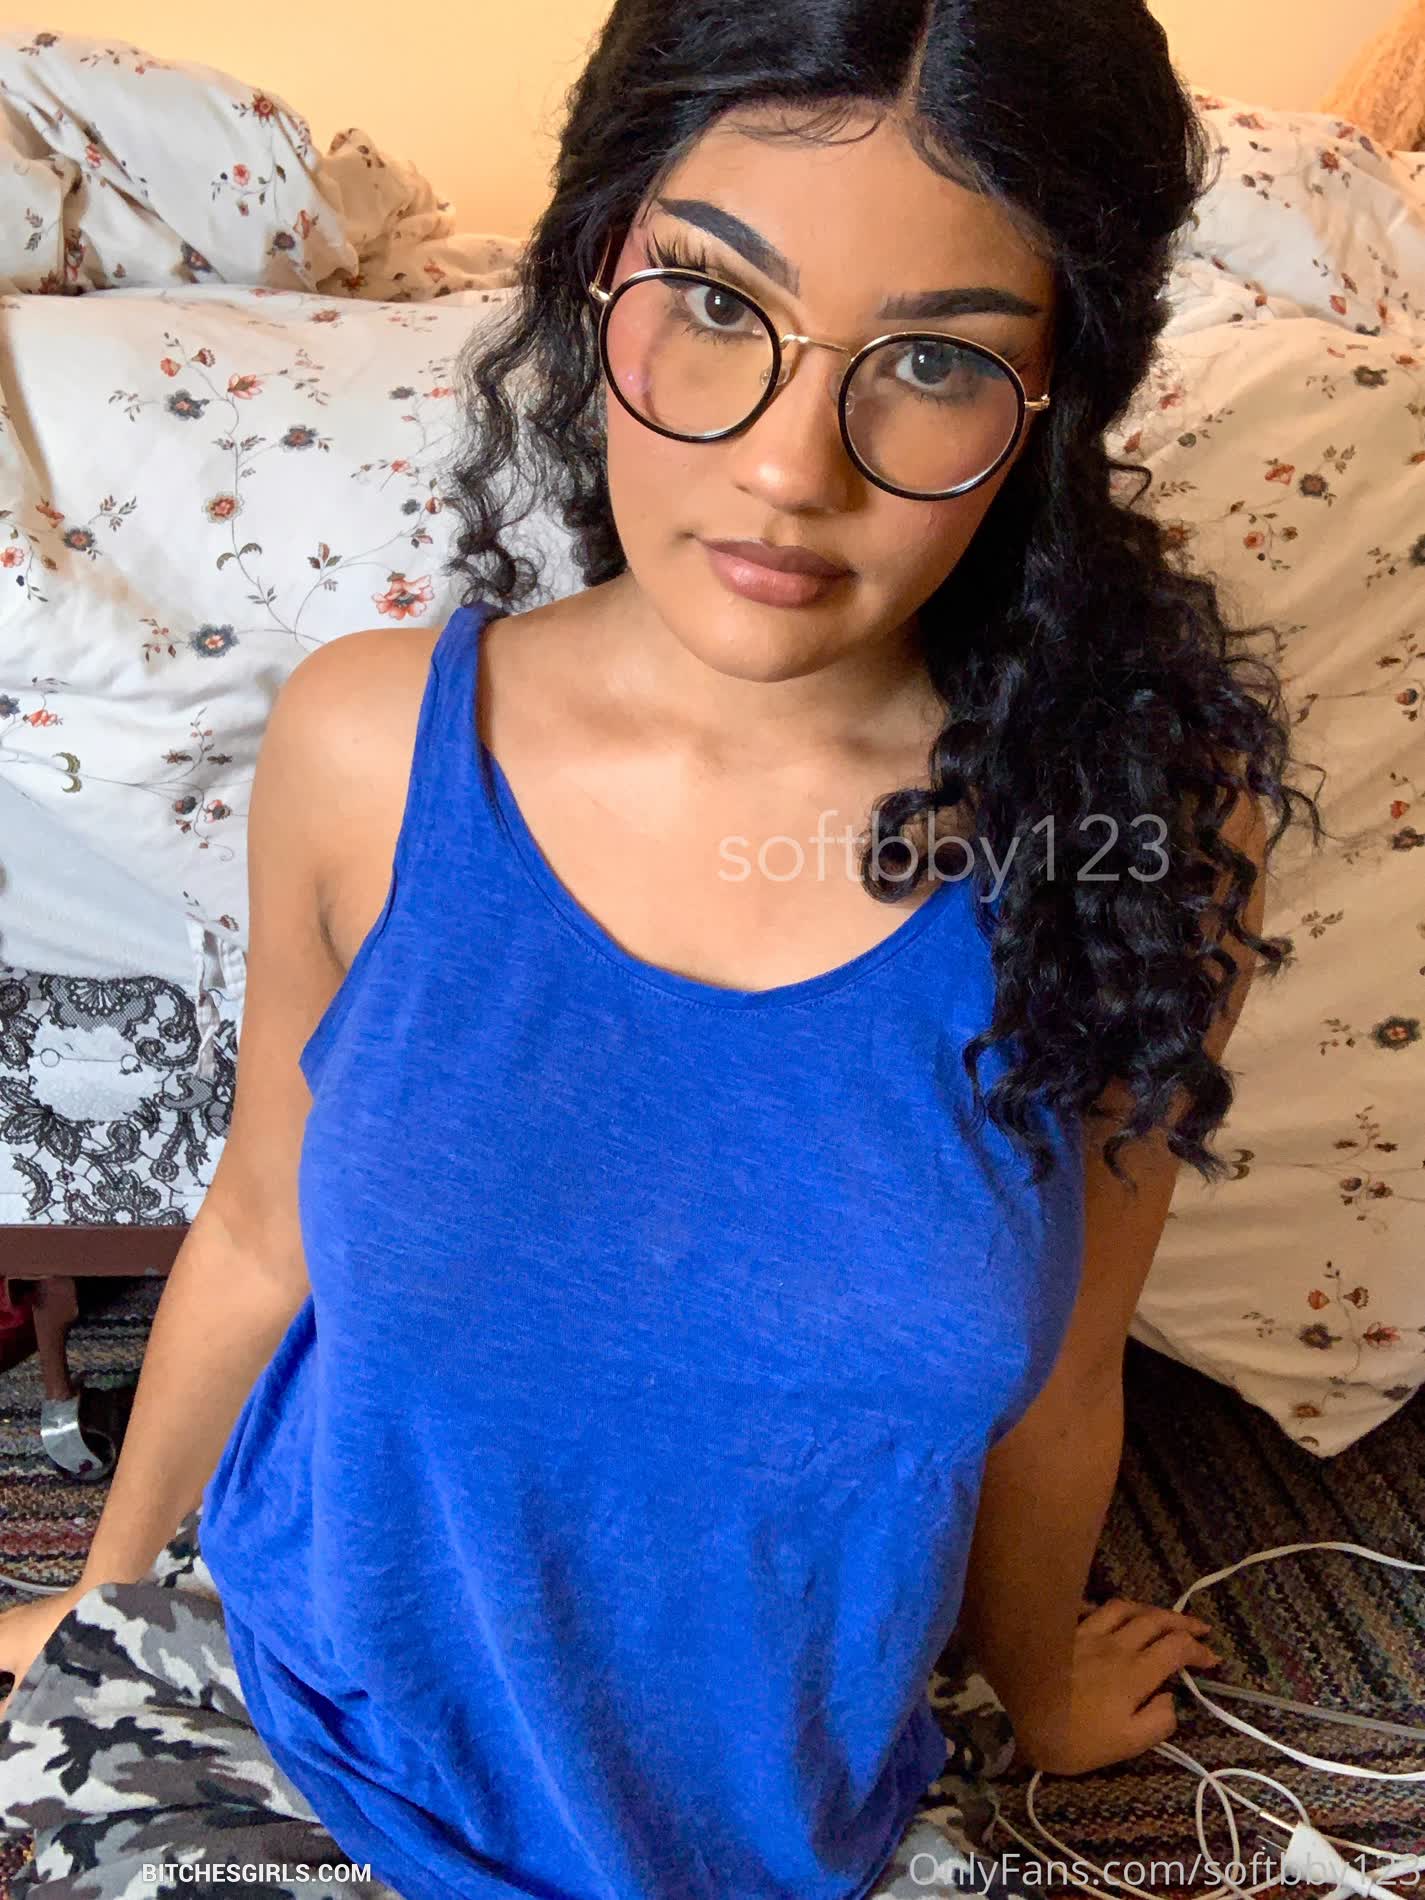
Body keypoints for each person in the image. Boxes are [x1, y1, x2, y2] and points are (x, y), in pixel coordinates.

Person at [0, 0, 1322, 1894]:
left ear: (1055, 396)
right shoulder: (370, 747)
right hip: (312, 1741)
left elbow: (1060, 1371)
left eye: (931, 359)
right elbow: (263, 1227)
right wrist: (108, 1602)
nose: (790, 468)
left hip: (782, 1817)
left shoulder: (1137, 836)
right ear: (595, 269)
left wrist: (1035, 1687)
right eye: (713, 301)